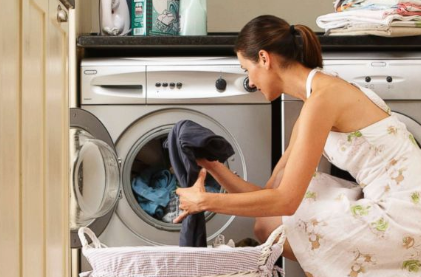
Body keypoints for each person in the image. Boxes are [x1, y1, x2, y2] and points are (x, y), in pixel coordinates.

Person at [173, 15, 421, 277]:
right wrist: (211, 166)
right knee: (269, 222)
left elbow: (285, 202)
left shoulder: (323, 100)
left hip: (406, 214)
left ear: (265, 59)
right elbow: (270, 193)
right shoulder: (314, 101)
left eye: (247, 70)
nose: (251, 82)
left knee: (278, 222)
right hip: (390, 199)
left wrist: (205, 202)